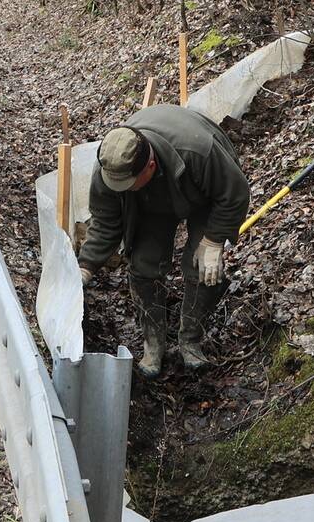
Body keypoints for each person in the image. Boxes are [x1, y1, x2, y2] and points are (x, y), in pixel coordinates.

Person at [77, 105, 251, 377]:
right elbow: (105, 222)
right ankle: (153, 345)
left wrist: (214, 240)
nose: (120, 188)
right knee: (144, 265)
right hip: (149, 204)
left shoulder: (198, 151)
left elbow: (234, 194)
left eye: (128, 183)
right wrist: (85, 267)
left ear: (150, 165)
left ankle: (190, 340)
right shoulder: (110, 168)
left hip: (203, 196)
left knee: (202, 268)